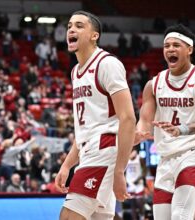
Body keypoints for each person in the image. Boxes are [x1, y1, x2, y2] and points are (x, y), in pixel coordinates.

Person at [54, 11, 136, 220]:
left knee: (68, 217)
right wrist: (67, 164)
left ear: (94, 35)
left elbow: (127, 118)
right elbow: (85, 128)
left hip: (104, 153)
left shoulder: (107, 64)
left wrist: (120, 170)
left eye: (80, 26)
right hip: (89, 152)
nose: (71, 29)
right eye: (70, 25)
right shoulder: (76, 72)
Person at [134, 23, 195, 220]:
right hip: (166, 160)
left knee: (180, 216)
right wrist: (135, 135)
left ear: (189, 49)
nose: (170, 49)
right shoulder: (153, 85)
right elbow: (144, 123)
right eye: (167, 45)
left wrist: (182, 129)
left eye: (176, 45)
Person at [125, 148, 146, 220]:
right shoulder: (125, 158)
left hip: (138, 184)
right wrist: (125, 182)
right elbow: (123, 171)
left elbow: (145, 170)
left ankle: (142, 216)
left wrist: (140, 178)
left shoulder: (140, 158)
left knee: (140, 202)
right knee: (132, 205)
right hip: (130, 184)